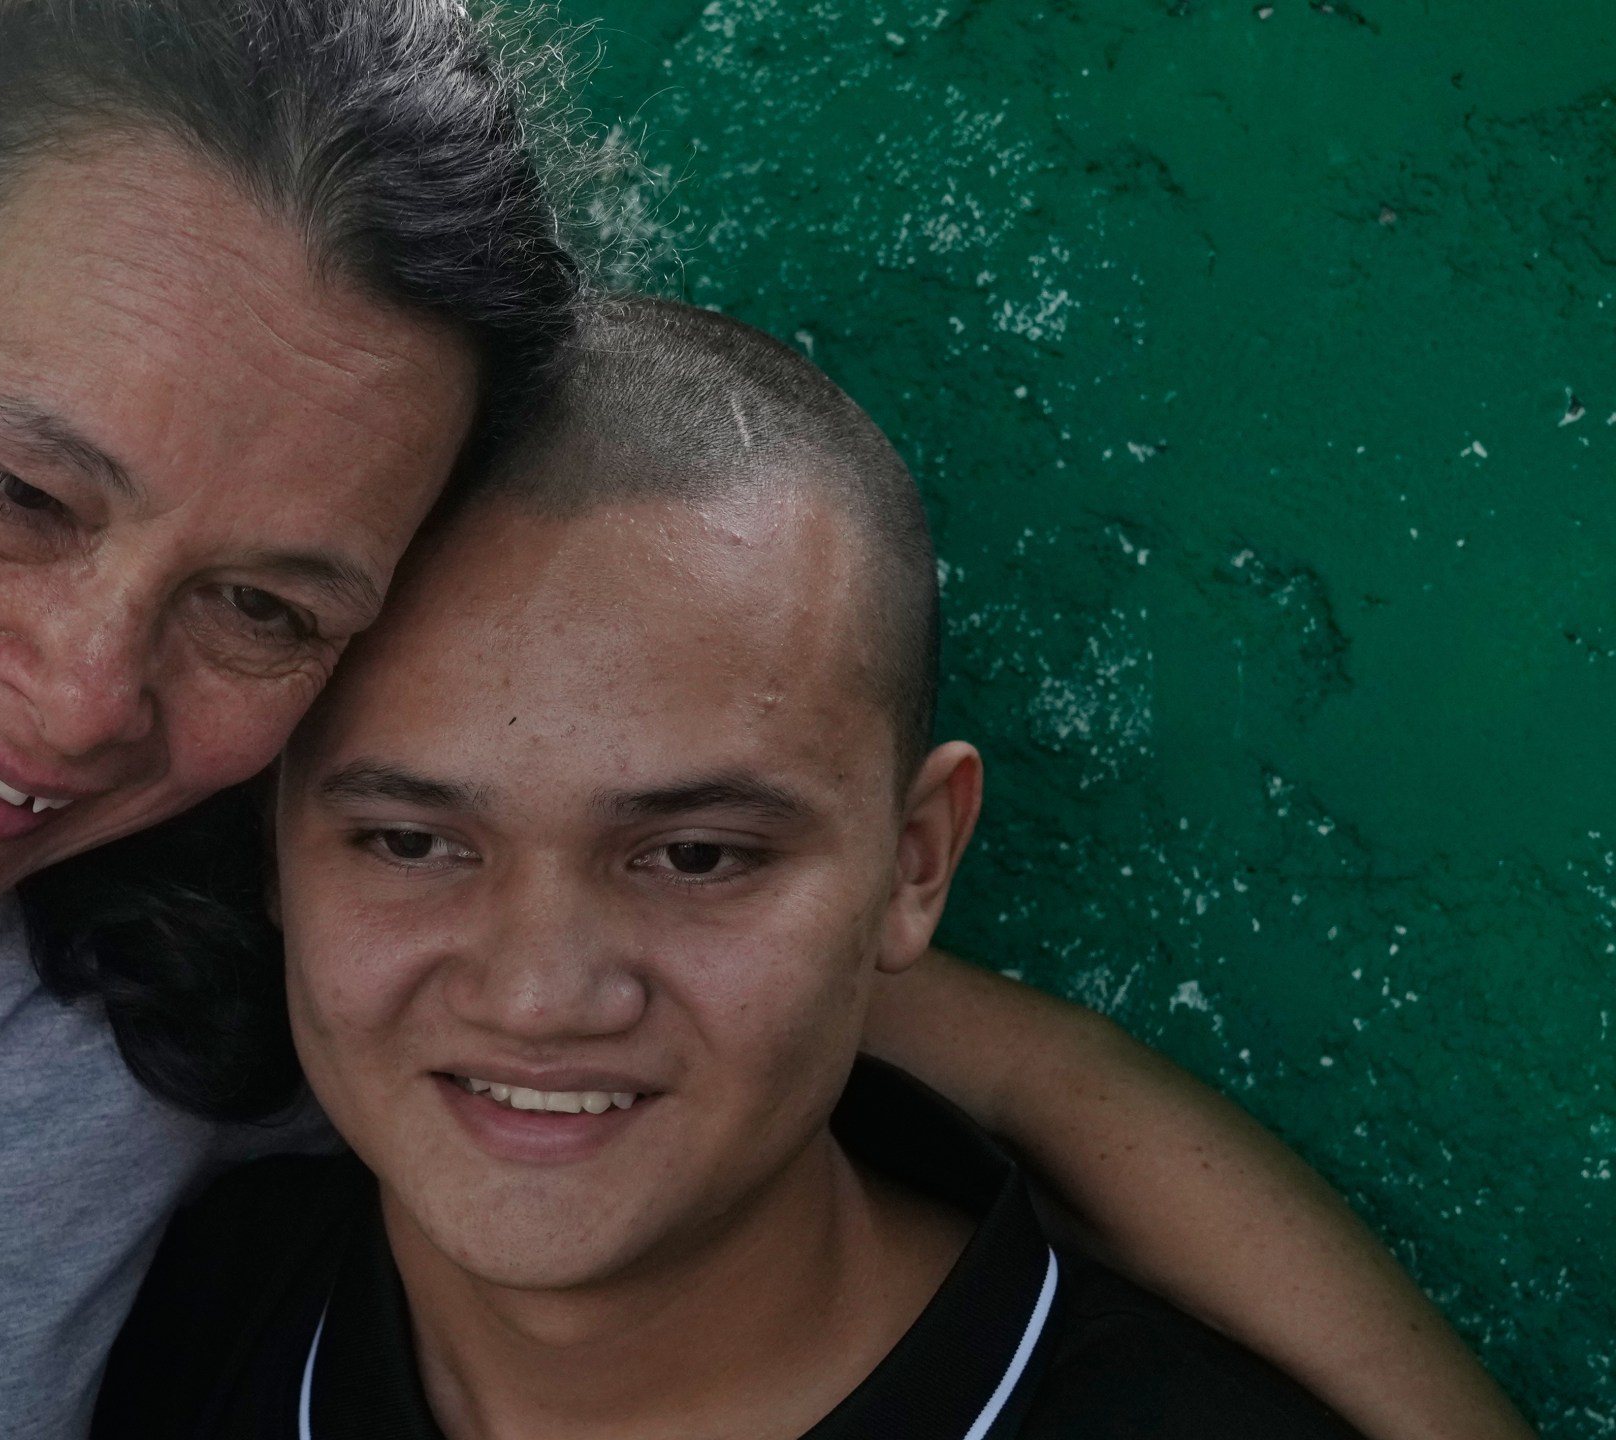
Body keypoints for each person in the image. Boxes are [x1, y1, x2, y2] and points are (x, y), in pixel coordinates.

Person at [0, 2, 1522, 1436]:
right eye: (14, 486)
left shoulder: (211, 886)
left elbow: (906, 1022)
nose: (79, 695)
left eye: (262, 601)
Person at [91, 296, 1533, 1439]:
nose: (538, 992)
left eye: (698, 855)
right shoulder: (180, 1318)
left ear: (915, 865)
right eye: (410, 842)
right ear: (270, 843)